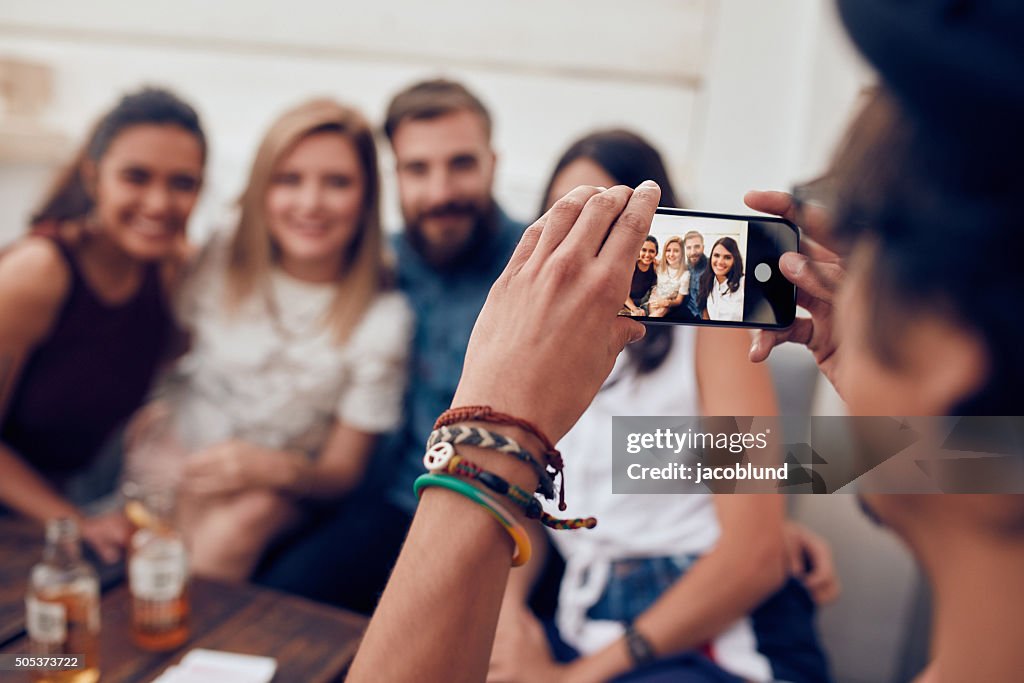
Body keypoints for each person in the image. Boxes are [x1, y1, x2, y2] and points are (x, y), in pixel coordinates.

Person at [348, 0, 1024, 680]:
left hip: (704, 646)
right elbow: (660, 480)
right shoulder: (586, 373)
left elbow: (746, 538)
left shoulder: (704, 337)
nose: (590, 255)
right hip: (589, 612)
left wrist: (488, 427)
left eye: (849, 215)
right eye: (567, 227)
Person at [489, 137, 830, 683]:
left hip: (713, 631)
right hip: (585, 618)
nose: (587, 241)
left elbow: (754, 555)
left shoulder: (710, 332)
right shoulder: (544, 351)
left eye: (611, 218)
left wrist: (571, 680)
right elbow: (520, 508)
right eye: (568, 216)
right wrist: (506, 624)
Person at [253, 78, 525, 612]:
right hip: (397, 505)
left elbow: (725, 450)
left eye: (461, 164)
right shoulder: (378, 265)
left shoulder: (535, 264)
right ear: (394, 176)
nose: (441, 191)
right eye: (418, 169)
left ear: (493, 163)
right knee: (279, 603)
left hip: (505, 514)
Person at [131, 98, 412, 582]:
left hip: (280, 487)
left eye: (337, 183)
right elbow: (158, 353)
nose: (310, 204)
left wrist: (270, 469)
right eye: (289, 179)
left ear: (367, 197)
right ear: (262, 189)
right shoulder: (220, 258)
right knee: (147, 542)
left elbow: (341, 473)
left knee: (234, 527)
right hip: (180, 457)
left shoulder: (383, 318)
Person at [0, 88, 206, 563]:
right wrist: (73, 521)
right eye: (136, 177)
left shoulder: (172, 272)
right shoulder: (39, 272)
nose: (158, 203)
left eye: (182, 183)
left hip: (71, 506)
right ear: (94, 177)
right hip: (32, 518)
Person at [700, 237, 744, 322]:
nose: (720, 262)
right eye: (716, 255)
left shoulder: (743, 284)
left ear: (735, 260)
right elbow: (705, 314)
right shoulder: (706, 280)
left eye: (727, 257)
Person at [647, 235, 689, 319]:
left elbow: (679, 301)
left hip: (669, 302)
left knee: (658, 314)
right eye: (668, 250)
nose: (671, 254)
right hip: (655, 297)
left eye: (676, 251)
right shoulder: (659, 266)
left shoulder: (685, 275)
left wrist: (666, 303)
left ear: (682, 254)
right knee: (653, 315)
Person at [624, 236, 658, 316]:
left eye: (651, 251)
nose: (647, 255)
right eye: (644, 250)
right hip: (625, 303)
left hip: (640, 304)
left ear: (656, 253)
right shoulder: (631, 266)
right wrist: (635, 309)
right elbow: (624, 296)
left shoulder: (655, 267)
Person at [682, 230, 707, 320]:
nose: (693, 252)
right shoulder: (685, 267)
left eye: (697, 247)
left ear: (703, 248)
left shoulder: (712, 267)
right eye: (689, 248)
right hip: (689, 310)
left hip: (705, 314)